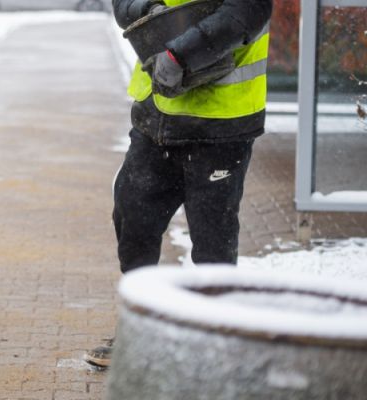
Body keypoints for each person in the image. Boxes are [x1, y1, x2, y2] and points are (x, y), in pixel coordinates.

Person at [85, 0, 272, 366]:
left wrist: (180, 55)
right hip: (155, 118)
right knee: (133, 217)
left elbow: (245, 12)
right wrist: (146, 9)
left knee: (212, 240)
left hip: (220, 124)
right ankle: (140, 331)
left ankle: (213, 341)